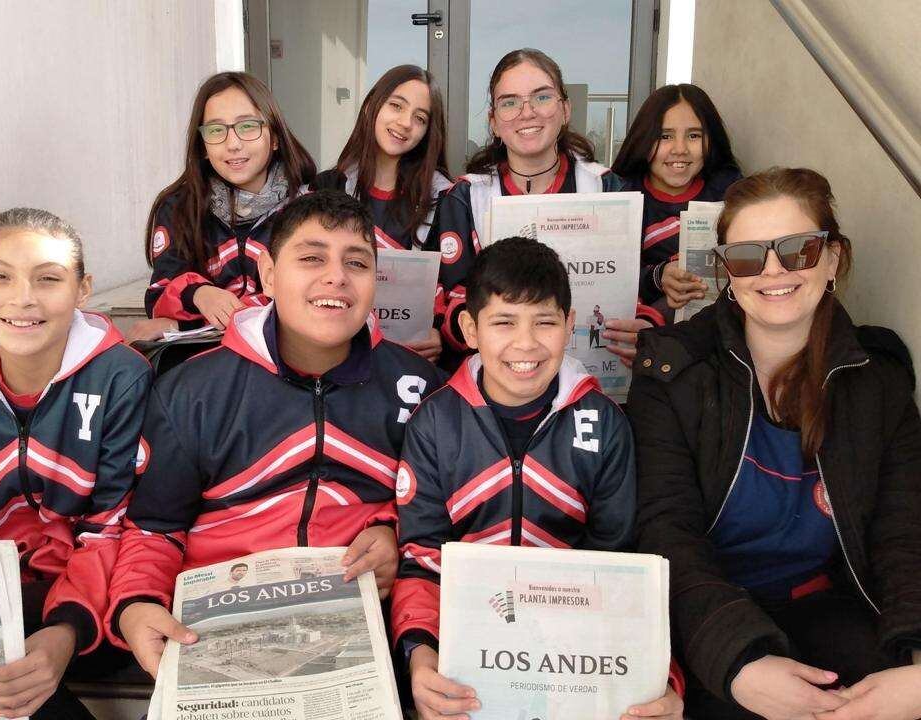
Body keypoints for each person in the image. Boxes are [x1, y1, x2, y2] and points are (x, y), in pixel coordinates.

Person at [105, 191, 445, 677]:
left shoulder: (418, 388)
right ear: (267, 273)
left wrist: (394, 532)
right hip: (217, 633)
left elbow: (441, 517)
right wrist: (136, 605)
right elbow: (155, 527)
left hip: (367, 634)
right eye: (311, 258)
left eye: (357, 262)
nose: (336, 276)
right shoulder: (192, 390)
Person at [628, 168, 921, 720]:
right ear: (725, 271)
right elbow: (665, 532)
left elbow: (904, 535)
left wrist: (917, 664)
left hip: (830, 607)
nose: (772, 271)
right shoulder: (673, 370)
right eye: (746, 256)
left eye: (798, 250)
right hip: (702, 616)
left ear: (833, 259)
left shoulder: (877, 381)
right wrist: (739, 661)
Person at [392, 238, 684, 720]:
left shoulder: (605, 422)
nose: (525, 344)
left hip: (578, 648)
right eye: (503, 322)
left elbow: (621, 563)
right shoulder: (434, 423)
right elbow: (422, 556)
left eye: (545, 322)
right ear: (469, 328)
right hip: (467, 644)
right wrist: (420, 656)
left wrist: (660, 675)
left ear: (569, 326)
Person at [0, 208, 151, 719]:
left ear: (82, 289)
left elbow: (113, 526)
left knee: (11, 676)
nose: (23, 298)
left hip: (94, 601)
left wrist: (64, 631)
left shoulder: (122, 378)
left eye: (48, 279)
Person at [424, 48, 661, 370]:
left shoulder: (608, 189)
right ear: (493, 122)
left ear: (565, 109)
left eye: (542, 97)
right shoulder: (466, 197)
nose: (527, 112)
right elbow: (447, 303)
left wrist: (645, 332)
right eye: (509, 102)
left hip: (591, 385)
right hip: (495, 386)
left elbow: (638, 290)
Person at [128, 71, 315, 342]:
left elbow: (309, 298)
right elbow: (159, 293)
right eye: (216, 130)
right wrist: (200, 294)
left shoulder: (308, 206)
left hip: (285, 351)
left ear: (274, 137)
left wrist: (184, 326)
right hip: (207, 357)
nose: (233, 144)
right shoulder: (179, 207)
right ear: (203, 145)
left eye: (248, 126)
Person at [311, 64, 452, 362]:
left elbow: (456, 284)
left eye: (420, 118)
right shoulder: (328, 187)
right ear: (371, 107)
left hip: (409, 360)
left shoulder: (445, 198)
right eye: (396, 106)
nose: (404, 123)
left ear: (428, 132)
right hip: (338, 352)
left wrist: (442, 335)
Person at [612, 84, 741, 312]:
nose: (679, 149)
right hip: (650, 325)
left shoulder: (730, 193)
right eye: (665, 136)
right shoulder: (622, 197)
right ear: (644, 139)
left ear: (711, 141)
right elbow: (609, 273)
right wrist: (659, 276)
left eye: (693, 135)